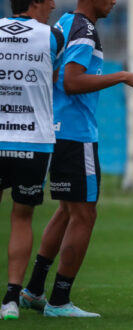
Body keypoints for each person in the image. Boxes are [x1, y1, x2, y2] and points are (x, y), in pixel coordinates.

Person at [18, 0, 133, 318]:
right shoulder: (84, 30)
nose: (114, 1)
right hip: (75, 134)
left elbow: (56, 74)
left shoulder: (63, 24)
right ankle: (59, 301)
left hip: (55, 130)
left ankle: (33, 290)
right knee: (85, 215)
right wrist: (121, 76)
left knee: (66, 210)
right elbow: (71, 81)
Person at [0, 0, 61, 320]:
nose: (53, 4)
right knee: (21, 218)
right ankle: (11, 298)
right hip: (33, 141)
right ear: (36, 2)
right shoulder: (53, 36)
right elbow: (51, 80)